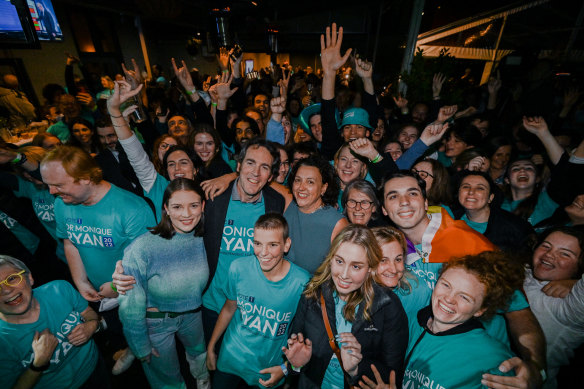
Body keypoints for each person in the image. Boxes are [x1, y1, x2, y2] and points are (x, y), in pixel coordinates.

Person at [380, 170, 548, 389]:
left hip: (479, 370)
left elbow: (519, 312)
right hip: (421, 363)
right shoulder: (391, 250)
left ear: (425, 200)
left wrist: (536, 368)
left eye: (412, 193)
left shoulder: (469, 243)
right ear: (384, 209)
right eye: (393, 196)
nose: (404, 202)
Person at [40, 145, 155, 374]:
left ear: (85, 178)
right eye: (49, 185)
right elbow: (70, 241)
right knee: (117, 327)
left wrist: (116, 286)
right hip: (102, 294)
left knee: (146, 339)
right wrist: (81, 281)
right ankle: (129, 347)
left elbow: (150, 263)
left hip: (139, 292)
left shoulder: (131, 209)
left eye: (59, 185)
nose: (52, 191)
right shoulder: (62, 204)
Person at [282, 224, 408, 388]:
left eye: (356, 266)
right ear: (331, 259)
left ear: (370, 268)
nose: (344, 274)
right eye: (339, 261)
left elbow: (393, 376)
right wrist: (296, 365)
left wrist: (356, 369)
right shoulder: (313, 293)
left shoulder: (388, 306)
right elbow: (295, 360)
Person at [118, 178, 210, 389]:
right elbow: (130, 305)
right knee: (167, 380)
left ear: (203, 206)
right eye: (177, 206)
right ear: (166, 209)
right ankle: (131, 350)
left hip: (193, 315)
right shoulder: (142, 248)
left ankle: (203, 381)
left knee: (200, 357)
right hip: (156, 322)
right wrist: (140, 345)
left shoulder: (204, 237)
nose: (186, 214)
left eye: (194, 205)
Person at [206, 213, 310, 388]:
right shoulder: (238, 268)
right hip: (231, 358)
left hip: (268, 367)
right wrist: (211, 347)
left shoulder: (301, 282)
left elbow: (305, 335)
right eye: (257, 243)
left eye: (273, 245)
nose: (263, 252)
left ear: (286, 245)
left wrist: (285, 369)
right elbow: (229, 308)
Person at [402, 252, 523, 389]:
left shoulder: (494, 359)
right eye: (446, 285)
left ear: (480, 310)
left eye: (464, 297)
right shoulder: (409, 321)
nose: (448, 299)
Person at [0, 255, 108, 388]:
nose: (6, 290)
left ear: (29, 278)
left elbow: (88, 312)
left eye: (11, 278)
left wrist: (92, 325)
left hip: (95, 366)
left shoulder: (59, 289)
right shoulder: (3, 341)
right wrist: (38, 364)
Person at [523, 227, 584, 389]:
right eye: (546, 246)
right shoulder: (525, 272)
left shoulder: (572, 307)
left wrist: (575, 283)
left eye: (565, 254)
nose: (550, 254)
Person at [284, 155, 349, 273]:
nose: (301, 188)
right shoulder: (288, 203)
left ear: (323, 188)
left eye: (310, 182)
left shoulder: (337, 224)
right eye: (298, 180)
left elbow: (343, 270)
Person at [452, 170, 535, 254]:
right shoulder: (449, 219)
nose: (471, 192)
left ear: (490, 198)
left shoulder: (516, 228)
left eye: (480, 188)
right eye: (466, 186)